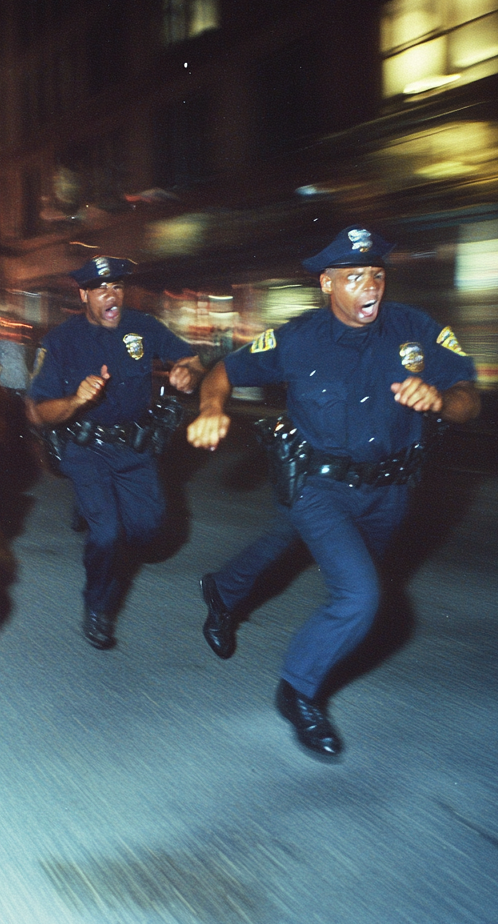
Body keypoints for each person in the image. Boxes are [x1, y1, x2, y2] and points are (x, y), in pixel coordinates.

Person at [187, 226, 480, 759]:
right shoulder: (298, 338)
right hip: (317, 486)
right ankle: (297, 693)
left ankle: (224, 591)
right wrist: (211, 408)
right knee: (359, 596)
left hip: (390, 491)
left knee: (290, 545)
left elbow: (468, 395)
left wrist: (440, 399)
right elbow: (224, 370)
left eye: (376, 273)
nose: (369, 285)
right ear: (327, 284)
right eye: (353, 276)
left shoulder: (416, 330)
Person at [26, 255, 205, 649]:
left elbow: (192, 359)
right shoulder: (60, 342)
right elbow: (39, 411)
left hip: (134, 448)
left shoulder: (143, 327)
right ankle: (98, 608)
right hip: (86, 448)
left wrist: (187, 374)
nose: (113, 295)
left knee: (148, 529)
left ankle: (97, 518)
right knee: (107, 533)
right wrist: (74, 401)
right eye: (102, 289)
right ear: (84, 294)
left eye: (118, 287)